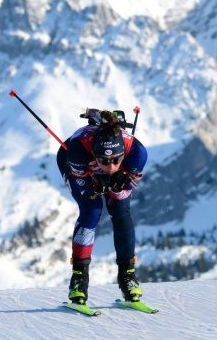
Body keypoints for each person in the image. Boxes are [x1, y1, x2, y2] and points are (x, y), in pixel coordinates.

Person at [56, 109, 148, 305]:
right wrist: (93, 182)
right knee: (92, 210)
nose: (111, 166)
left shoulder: (137, 153)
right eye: (104, 161)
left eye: (116, 160)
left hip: (98, 166)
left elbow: (125, 191)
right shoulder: (77, 150)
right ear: (94, 155)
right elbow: (84, 189)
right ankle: (79, 280)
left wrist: (118, 183)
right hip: (75, 165)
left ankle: (128, 277)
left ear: (124, 153)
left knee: (120, 211)